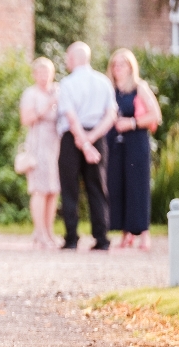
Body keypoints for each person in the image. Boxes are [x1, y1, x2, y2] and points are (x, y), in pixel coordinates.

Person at [56, 42, 118, 251]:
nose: (66, 61)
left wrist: (83, 142)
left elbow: (71, 117)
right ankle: (102, 238)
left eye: (67, 57)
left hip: (72, 139)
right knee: (97, 188)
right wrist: (91, 140)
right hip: (96, 137)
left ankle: (72, 238)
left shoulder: (66, 83)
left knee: (70, 188)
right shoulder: (104, 82)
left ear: (73, 59)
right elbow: (111, 115)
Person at [106, 49, 162, 250]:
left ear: (131, 67)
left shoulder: (140, 88)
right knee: (117, 186)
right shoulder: (110, 90)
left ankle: (144, 234)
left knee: (137, 187)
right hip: (115, 144)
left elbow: (155, 115)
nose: (118, 68)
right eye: (115, 64)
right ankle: (125, 233)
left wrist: (132, 123)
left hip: (136, 141)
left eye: (122, 64)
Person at [20, 57, 62, 249]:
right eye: (40, 72)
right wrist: (48, 105)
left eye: (48, 72)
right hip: (38, 145)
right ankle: (40, 231)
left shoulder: (58, 91)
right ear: (34, 75)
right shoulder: (31, 94)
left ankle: (49, 231)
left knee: (53, 190)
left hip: (55, 144)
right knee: (39, 189)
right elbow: (26, 119)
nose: (44, 76)